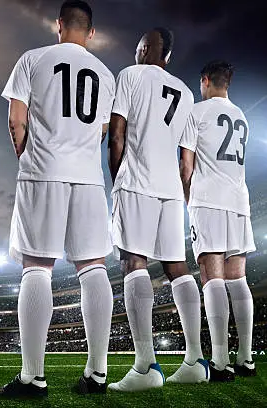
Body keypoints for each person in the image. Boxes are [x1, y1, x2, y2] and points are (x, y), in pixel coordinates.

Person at [0, 0, 115, 398]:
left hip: (43, 171)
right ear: (91, 32)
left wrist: (28, 158)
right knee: (93, 266)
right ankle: (97, 374)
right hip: (88, 177)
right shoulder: (105, 74)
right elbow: (101, 130)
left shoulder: (32, 59)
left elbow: (16, 119)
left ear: (58, 25)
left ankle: (33, 377)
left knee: (37, 267)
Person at [107, 28, 209, 392]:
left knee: (133, 262)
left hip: (137, 181)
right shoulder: (184, 91)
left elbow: (116, 134)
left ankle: (145, 366)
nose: (136, 52)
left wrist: (116, 177)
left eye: (138, 47)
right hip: (170, 187)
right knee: (177, 267)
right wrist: (181, 194)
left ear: (146, 48)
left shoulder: (130, 75)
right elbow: (187, 159)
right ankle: (196, 359)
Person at [179, 60, 256, 381]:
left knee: (212, 277)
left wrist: (188, 201)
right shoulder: (242, 117)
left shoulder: (196, 112)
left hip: (208, 200)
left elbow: (186, 165)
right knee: (238, 278)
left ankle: (221, 362)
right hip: (239, 200)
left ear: (205, 80)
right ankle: (246, 358)